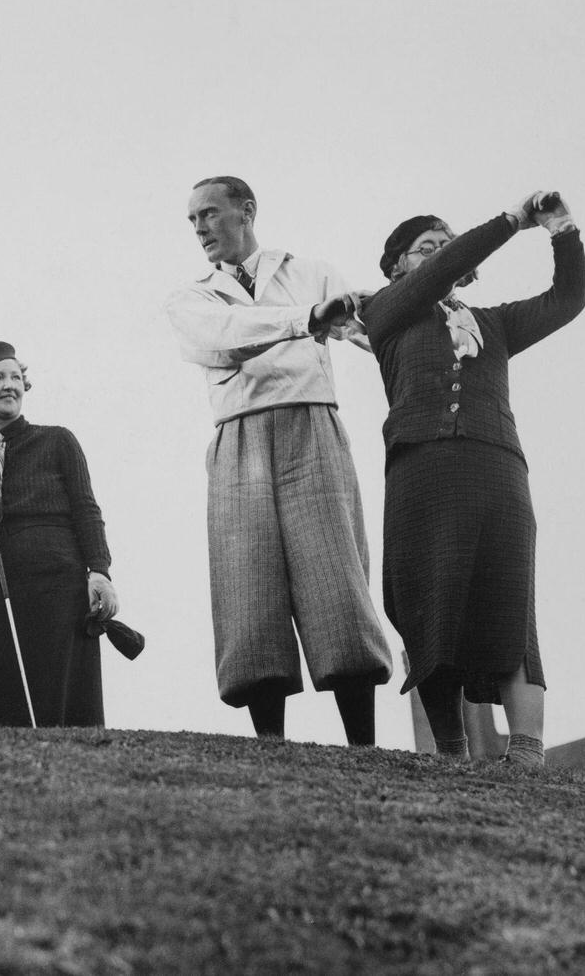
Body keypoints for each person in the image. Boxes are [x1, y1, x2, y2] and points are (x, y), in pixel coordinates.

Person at [359, 192, 585, 766]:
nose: (443, 255)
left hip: (497, 467)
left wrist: (561, 230)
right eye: (428, 249)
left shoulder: (495, 324)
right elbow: (436, 277)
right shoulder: (387, 311)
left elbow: (567, 299)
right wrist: (510, 220)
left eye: (450, 246)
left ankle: (528, 755)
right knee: (429, 603)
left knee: (510, 600)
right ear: (396, 266)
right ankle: (452, 752)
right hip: (423, 471)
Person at [164, 175, 392, 745]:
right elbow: (220, 338)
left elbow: (372, 331)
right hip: (238, 436)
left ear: (246, 211)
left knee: (335, 575)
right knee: (248, 584)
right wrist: (306, 320)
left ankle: (362, 746)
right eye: (192, 220)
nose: (199, 229)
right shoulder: (191, 297)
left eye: (209, 214)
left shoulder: (311, 270)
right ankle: (271, 746)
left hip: (312, 422)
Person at [0, 342, 117, 727]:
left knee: (64, 707)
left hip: (59, 589)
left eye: (16, 376)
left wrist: (99, 572)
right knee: (3, 706)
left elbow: (87, 510)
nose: (9, 385)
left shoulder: (58, 440)